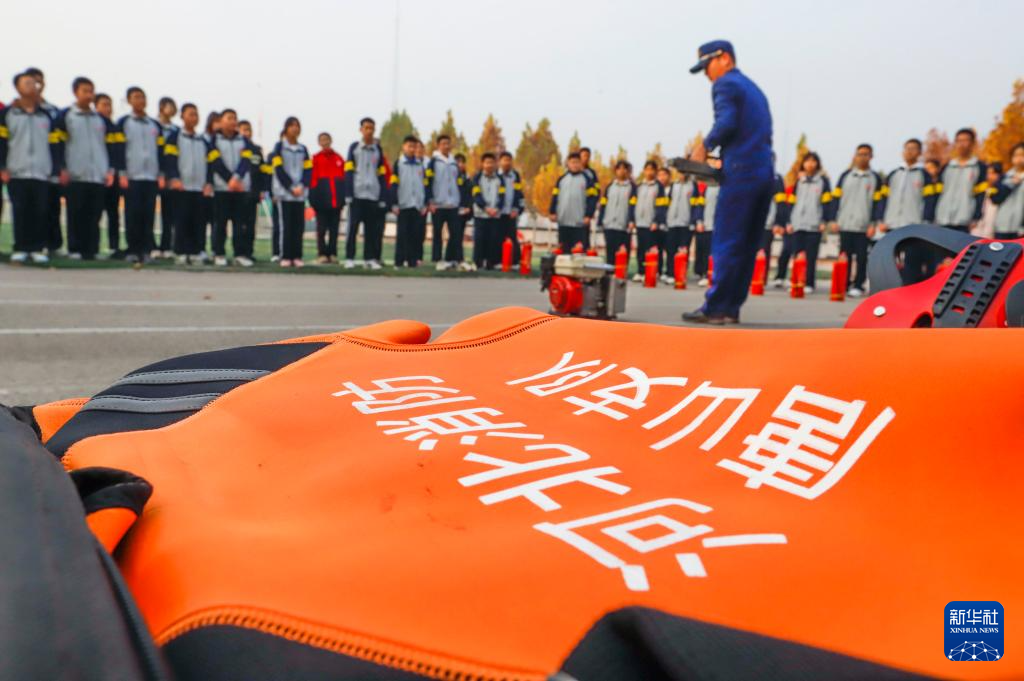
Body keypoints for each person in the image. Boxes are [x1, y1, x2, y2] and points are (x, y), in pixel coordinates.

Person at [684, 40, 774, 324]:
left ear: (724, 58)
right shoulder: (753, 88)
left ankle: (715, 307)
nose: (707, 75)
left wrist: (704, 147)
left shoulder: (725, 84)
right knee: (747, 244)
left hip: (741, 172)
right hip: (764, 173)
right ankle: (731, 306)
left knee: (727, 240)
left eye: (707, 66)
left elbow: (727, 123)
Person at [0, 71, 61, 263]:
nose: (31, 86)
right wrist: (2, 166)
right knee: (20, 209)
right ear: (17, 88)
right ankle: (21, 247)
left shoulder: (46, 116)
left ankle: (36, 248)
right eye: (26, 83)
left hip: (41, 172)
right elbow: (2, 142)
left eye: (34, 83)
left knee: (40, 210)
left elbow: (54, 145)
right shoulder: (7, 114)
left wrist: (55, 169)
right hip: (17, 170)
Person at [54, 76, 118, 261]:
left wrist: (110, 170)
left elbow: (111, 147)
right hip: (75, 174)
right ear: (76, 92)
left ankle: (91, 249)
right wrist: (62, 168)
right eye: (85, 91)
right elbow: (57, 143)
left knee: (95, 214)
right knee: (75, 213)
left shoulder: (101, 120)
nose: (89, 95)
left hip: (97, 175)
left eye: (91, 91)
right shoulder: (65, 116)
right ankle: (75, 248)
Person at [875, 139, 936, 283]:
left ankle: (908, 290)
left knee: (911, 261)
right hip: (891, 224)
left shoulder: (924, 175)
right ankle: (890, 290)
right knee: (890, 260)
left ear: (919, 153)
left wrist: (925, 222)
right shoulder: (893, 174)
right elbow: (883, 199)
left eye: (913, 148)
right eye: (907, 148)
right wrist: (881, 220)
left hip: (913, 225)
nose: (909, 151)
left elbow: (929, 201)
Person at [116, 86, 165, 263]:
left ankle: (146, 250)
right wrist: (121, 173)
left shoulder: (155, 125)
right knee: (132, 213)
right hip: (132, 176)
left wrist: (161, 174)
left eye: (143, 97)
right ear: (129, 101)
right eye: (136, 97)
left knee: (148, 214)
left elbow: (160, 151)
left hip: (151, 176)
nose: (140, 100)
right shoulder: (123, 123)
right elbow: (119, 150)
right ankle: (132, 249)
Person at [829, 144, 883, 297]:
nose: (862, 157)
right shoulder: (845, 176)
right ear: (855, 156)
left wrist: (873, 224)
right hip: (845, 223)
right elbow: (836, 199)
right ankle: (843, 284)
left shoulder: (875, 178)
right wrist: (833, 219)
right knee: (844, 256)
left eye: (866, 154)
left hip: (863, 226)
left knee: (861, 257)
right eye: (860, 154)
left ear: (871, 157)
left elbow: (878, 203)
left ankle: (858, 285)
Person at [162, 102, 213, 264]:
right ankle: (180, 251)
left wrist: (208, 182)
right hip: (181, 186)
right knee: (181, 220)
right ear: (182, 116)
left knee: (198, 221)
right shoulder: (175, 137)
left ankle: (197, 251)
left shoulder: (203, 140)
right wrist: (174, 178)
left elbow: (211, 163)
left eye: (196, 114)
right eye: (190, 114)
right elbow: (169, 160)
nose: (194, 117)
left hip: (199, 188)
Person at [208, 108, 257, 267]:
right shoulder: (213, 140)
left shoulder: (244, 141)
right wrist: (230, 180)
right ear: (221, 121)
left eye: (234, 118)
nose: (232, 121)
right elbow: (215, 162)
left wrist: (237, 178)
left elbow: (246, 160)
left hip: (240, 188)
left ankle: (240, 254)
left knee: (239, 224)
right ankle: (218, 253)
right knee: (220, 223)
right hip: (222, 188)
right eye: (229, 118)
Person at [25, 67, 64, 256]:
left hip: (49, 168)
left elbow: (59, 143)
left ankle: (53, 245)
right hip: (23, 169)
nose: (36, 85)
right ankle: (27, 246)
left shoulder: (53, 112)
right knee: (27, 209)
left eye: (39, 81)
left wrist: (59, 167)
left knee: (50, 208)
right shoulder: (14, 110)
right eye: (32, 81)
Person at [784, 152, 834, 293]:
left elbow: (826, 203)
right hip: (797, 223)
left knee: (811, 256)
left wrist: (824, 220)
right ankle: (795, 281)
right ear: (803, 164)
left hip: (814, 225)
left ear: (817, 164)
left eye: (813, 161)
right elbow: (791, 203)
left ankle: (809, 283)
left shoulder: (823, 182)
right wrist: (789, 221)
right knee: (796, 254)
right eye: (807, 161)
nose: (810, 164)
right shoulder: (798, 182)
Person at [343, 117, 389, 270]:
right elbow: (348, 171)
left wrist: (382, 196)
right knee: (353, 228)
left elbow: (382, 174)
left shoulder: (378, 150)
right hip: (357, 194)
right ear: (361, 130)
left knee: (371, 230)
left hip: (373, 195)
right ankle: (349, 257)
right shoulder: (354, 148)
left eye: (372, 128)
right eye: (366, 128)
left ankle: (369, 258)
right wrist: (348, 193)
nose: (369, 131)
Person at [270, 116, 311, 267]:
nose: (295, 128)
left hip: (300, 195)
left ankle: (297, 255)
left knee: (298, 226)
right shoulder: (279, 147)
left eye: (297, 126)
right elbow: (278, 169)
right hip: (285, 193)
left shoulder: (303, 149)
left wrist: (302, 185)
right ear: (286, 128)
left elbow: (308, 170)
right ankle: (285, 255)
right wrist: (290, 187)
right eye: (292, 125)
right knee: (285, 226)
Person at [934, 128, 986, 233]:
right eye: (959, 141)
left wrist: (976, 216)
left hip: (964, 220)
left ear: (972, 144)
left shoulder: (979, 167)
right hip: (943, 218)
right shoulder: (947, 167)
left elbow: (981, 195)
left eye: (965, 140)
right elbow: (938, 192)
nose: (962, 144)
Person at [389, 135, 429, 268]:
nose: (412, 149)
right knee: (402, 234)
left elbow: (424, 185)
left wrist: (424, 203)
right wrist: (393, 203)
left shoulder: (420, 165)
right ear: (404, 147)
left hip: (417, 205)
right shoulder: (398, 164)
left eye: (414, 147)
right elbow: (394, 184)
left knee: (415, 235)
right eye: (409, 146)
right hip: (403, 204)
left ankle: (412, 261)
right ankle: (399, 261)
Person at [549, 152, 597, 255]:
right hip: (563, 221)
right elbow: (555, 197)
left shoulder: (588, 180)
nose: (575, 165)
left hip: (579, 223)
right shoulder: (561, 180)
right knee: (563, 250)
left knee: (579, 252)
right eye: (572, 162)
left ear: (581, 164)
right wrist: (552, 211)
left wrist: (588, 215)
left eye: (577, 162)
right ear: (568, 163)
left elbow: (592, 199)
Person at [94, 93, 124, 257]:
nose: (108, 108)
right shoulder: (93, 124)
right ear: (96, 106)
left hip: (113, 176)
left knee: (114, 213)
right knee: (95, 213)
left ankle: (114, 246)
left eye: (109, 105)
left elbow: (118, 151)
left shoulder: (114, 126)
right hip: (97, 176)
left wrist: (114, 170)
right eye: (104, 104)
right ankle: (94, 246)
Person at [425, 134, 461, 270]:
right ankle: (437, 259)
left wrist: (459, 201)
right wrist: (430, 201)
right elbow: (427, 182)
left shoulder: (454, 163)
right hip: (438, 204)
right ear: (438, 146)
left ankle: (452, 259)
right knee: (437, 234)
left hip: (452, 204)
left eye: (448, 143)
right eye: (443, 143)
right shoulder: (433, 162)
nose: (446, 146)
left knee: (455, 234)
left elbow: (459, 183)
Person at [309, 131, 346, 264]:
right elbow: (312, 180)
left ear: (330, 141)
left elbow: (344, 178)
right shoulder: (315, 158)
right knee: (321, 229)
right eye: (322, 140)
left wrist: (343, 198)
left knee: (334, 229)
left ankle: (333, 253)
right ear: (319, 143)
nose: (325, 142)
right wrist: (313, 199)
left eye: (327, 139)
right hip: (321, 202)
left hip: (336, 201)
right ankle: (322, 253)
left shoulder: (339, 159)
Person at [662, 166, 701, 285]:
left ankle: (681, 273)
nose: (682, 174)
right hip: (672, 222)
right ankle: (670, 273)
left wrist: (693, 221)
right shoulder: (674, 185)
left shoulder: (693, 186)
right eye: (680, 172)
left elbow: (695, 205)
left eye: (684, 172)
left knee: (683, 249)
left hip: (686, 223)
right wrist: (665, 220)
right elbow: (668, 203)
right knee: (670, 249)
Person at [239, 119, 269, 264]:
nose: (246, 132)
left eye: (248, 130)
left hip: (253, 193)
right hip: (238, 193)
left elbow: (263, 171)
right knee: (239, 224)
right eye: (243, 129)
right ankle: (239, 252)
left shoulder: (256, 150)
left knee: (251, 225)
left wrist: (263, 189)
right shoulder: (236, 148)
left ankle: (249, 252)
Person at [631, 160, 666, 282]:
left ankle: (654, 272)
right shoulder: (639, 186)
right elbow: (633, 204)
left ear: (655, 171)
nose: (649, 172)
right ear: (644, 171)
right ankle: (640, 271)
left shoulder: (659, 187)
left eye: (652, 169)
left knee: (652, 249)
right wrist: (632, 219)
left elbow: (662, 206)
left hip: (652, 224)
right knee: (641, 249)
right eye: (647, 169)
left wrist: (656, 221)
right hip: (640, 223)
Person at [597, 160, 636, 266]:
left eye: (625, 169)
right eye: (619, 168)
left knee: (623, 251)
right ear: (615, 171)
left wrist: (631, 220)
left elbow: (633, 206)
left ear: (628, 171)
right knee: (610, 249)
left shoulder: (632, 188)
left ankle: (621, 272)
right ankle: (610, 271)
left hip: (623, 225)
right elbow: (603, 204)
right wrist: (600, 220)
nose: (622, 171)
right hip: (609, 224)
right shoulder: (610, 187)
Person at [472, 152, 504, 269]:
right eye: (487, 162)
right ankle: (478, 262)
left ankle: (491, 263)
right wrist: (485, 208)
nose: (489, 165)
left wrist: (497, 208)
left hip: (494, 215)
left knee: (493, 240)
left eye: (492, 162)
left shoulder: (500, 179)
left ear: (495, 164)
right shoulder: (477, 178)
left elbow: (502, 195)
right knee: (479, 239)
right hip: (480, 214)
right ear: (482, 164)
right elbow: (476, 195)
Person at [156, 96, 179, 257]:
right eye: (169, 106)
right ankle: (151, 246)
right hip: (151, 173)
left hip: (169, 175)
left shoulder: (176, 131)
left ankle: (167, 245)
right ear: (162, 107)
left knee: (169, 213)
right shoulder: (153, 126)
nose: (172, 110)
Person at [991, 143, 1024, 240]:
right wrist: (1011, 184)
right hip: (1002, 227)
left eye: (1022, 155)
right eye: (1016, 155)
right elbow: (995, 199)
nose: (1019, 158)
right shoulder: (1004, 177)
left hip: (1021, 229)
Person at [497, 151, 524, 265]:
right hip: (498, 212)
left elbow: (519, 193)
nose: (507, 162)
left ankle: (515, 261)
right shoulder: (496, 175)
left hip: (511, 212)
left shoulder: (515, 176)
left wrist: (517, 209)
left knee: (512, 237)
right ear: (500, 162)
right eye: (504, 160)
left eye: (509, 160)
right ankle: (498, 260)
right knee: (498, 237)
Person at [694, 179, 718, 286]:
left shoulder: (725, 188)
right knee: (705, 251)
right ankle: (705, 274)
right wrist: (699, 220)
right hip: (707, 225)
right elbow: (700, 205)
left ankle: (717, 275)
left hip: (719, 226)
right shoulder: (706, 189)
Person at [454, 152, 473, 270]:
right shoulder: (452, 178)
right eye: (458, 162)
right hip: (453, 210)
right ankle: (454, 258)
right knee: (454, 236)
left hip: (464, 211)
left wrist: (468, 208)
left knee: (459, 236)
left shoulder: (467, 178)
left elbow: (470, 195)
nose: (460, 165)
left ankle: (459, 259)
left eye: (462, 162)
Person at [579, 146, 598, 248]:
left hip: (585, 211)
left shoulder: (591, 174)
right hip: (572, 212)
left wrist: (591, 210)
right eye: (584, 155)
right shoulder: (569, 173)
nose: (585, 158)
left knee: (584, 238)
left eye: (588, 156)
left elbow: (596, 192)